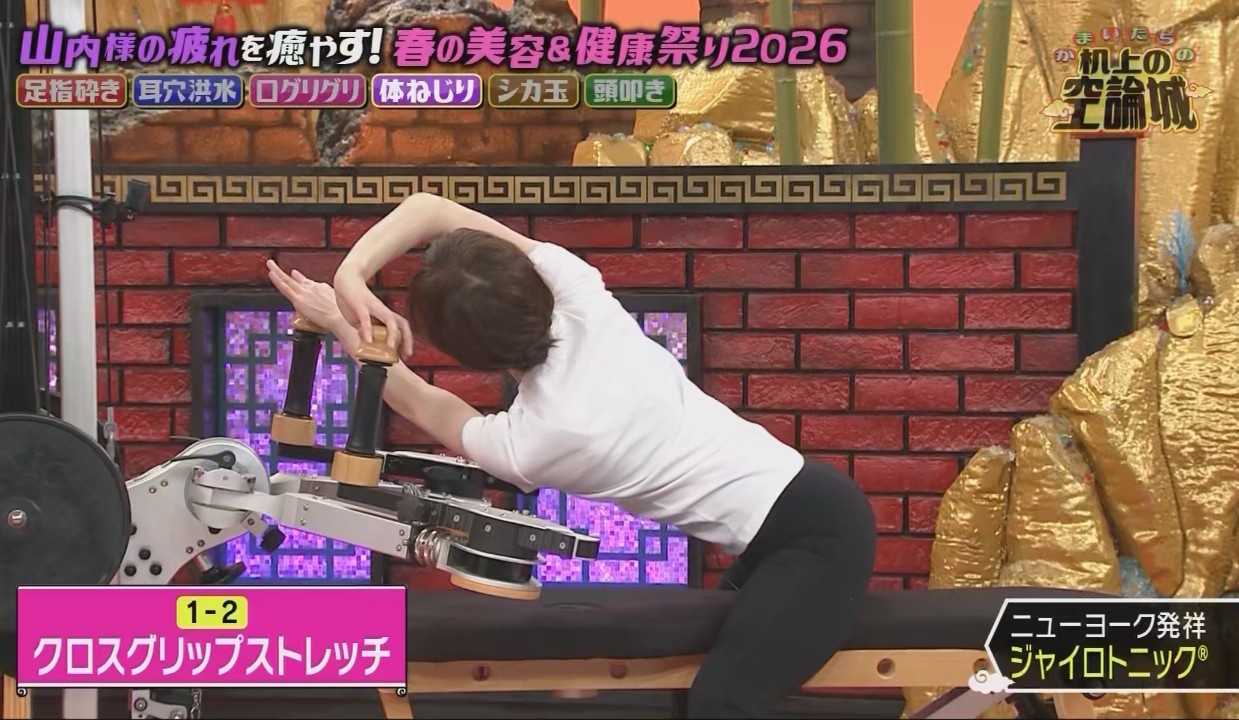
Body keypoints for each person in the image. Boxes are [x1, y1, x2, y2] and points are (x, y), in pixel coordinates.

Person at [266, 193, 877, 718]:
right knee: (694, 686)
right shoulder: (579, 292)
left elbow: (423, 402)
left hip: (816, 542)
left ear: (471, 358)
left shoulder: (538, 440)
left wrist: (341, 313)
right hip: (808, 512)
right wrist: (352, 276)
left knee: (724, 705)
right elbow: (429, 209)